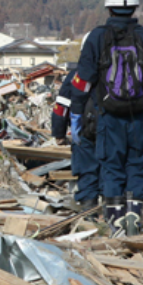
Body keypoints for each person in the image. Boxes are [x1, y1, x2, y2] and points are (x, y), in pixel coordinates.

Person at [70, 0, 143, 235]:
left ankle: (114, 222)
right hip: (139, 117)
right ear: (135, 5)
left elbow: (82, 81)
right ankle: (133, 216)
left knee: (111, 167)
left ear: (108, 6)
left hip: (109, 118)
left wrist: (76, 113)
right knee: (138, 166)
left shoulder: (96, 37)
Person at [52, 60, 101, 210]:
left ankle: (89, 211)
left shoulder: (77, 74)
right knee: (113, 171)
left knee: (87, 172)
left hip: (84, 131)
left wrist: (59, 133)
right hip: (114, 133)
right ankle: (113, 213)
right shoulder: (119, 72)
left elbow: (61, 105)